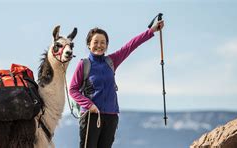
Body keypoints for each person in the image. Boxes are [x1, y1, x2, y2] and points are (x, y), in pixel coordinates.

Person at [69, 19, 165, 148]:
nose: (99, 45)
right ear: (88, 44)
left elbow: (131, 45)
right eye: (95, 42)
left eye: (103, 42)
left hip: (111, 116)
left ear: (107, 45)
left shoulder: (112, 61)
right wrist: (89, 105)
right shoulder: (84, 64)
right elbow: (73, 89)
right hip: (91, 116)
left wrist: (151, 30)